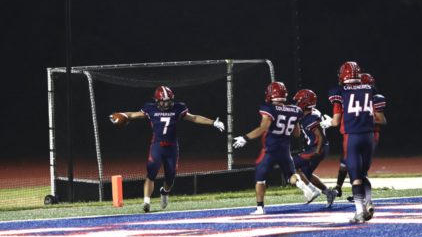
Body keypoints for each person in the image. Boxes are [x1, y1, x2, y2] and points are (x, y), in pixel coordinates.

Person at [109, 85, 225, 213]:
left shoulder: (178, 108)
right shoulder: (150, 108)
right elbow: (133, 115)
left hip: (172, 148)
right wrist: (121, 114)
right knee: (151, 174)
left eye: (167, 100)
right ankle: (146, 202)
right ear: (157, 100)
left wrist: (213, 122)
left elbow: (194, 118)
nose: (165, 103)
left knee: (170, 178)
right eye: (162, 100)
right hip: (157, 146)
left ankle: (164, 192)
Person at [232, 81, 305, 215]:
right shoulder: (296, 110)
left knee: (260, 178)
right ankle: (301, 185)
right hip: (285, 150)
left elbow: (263, 128)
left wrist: (245, 138)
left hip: (270, 150)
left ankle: (260, 208)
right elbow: (297, 134)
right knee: (290, 177)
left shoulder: (269, 108)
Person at [321, 62, 377, 223]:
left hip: (352, 136)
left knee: (355, 177)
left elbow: (337, 121)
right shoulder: (369, 88)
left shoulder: (338, 91)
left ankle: (360, 212)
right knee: (363, 173)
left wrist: (327, 122)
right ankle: (369, 203)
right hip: (368, 136)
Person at [327, 72, 387, 203]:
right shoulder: (363, 94)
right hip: (361, 133)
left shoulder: (373, 97)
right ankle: (339, 188)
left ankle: (364, 201)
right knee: (346, 163)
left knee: (357, 170)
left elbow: (382, 120)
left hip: (368, 133)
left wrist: (362, 119)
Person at [292, 89, 338, 207]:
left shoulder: (310, 118)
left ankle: (311, 191)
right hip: (318, 147)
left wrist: (317, 151)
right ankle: (329, 192)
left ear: (304, 102)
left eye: (299, 101)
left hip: (316, 148)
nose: (297, 103)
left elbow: (320, 136)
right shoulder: (312, 112)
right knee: (305, 174)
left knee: (291, 163)